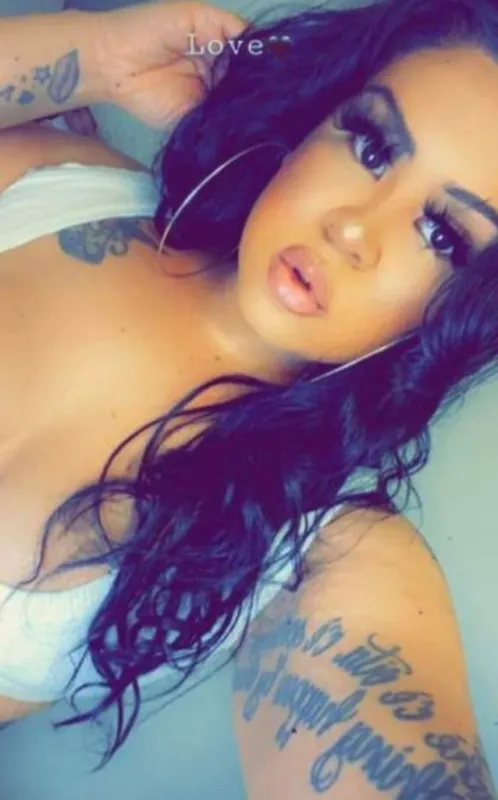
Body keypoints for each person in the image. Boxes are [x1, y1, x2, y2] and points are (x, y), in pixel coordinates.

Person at [0, 0, 496, 795]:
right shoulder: (62, 186)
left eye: (441, 236)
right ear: (312, 123)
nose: (352, 229)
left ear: (468, 314)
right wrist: (97, 55)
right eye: (371, 145)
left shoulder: (323, 544)